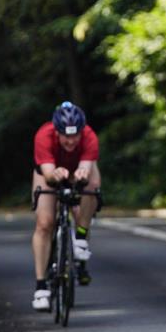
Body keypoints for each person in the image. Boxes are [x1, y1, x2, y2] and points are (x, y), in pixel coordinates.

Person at [31, 101, 100, 311]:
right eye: (65, 136)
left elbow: (86, 166)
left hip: (76, 170)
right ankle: (41, 287)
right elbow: (48, 174)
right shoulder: (44, 135)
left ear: (82, 131)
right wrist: (56, 174)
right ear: (57, 131)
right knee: (45, 223)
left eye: (75, 135)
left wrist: (82, 174)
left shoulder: (90, 136)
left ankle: (80, 238)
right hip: (50, 172)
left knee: (91, 187)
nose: (71, 141)